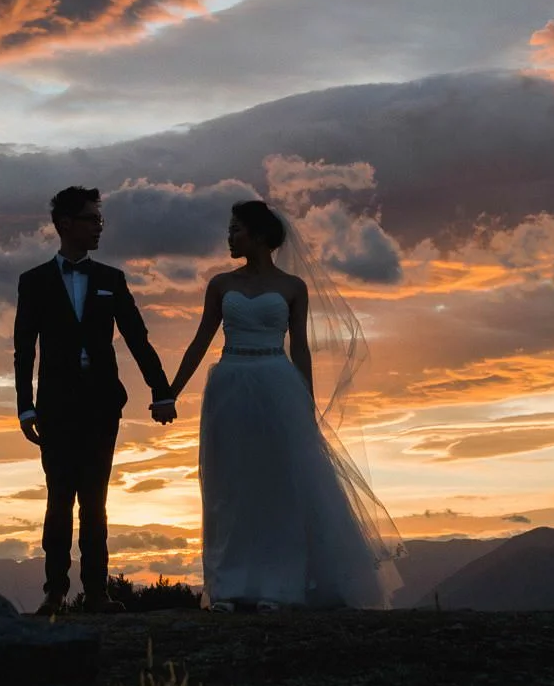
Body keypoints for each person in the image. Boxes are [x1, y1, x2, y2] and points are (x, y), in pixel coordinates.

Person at [168, 199, 403, 612]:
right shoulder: (220, 284)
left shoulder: (294, 287)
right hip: (230, 383)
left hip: (278, 383)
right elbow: (201, 339)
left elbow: (301, 348)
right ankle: (229, 587)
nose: (229, 237)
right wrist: (170, 392)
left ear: (259, 235)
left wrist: (306, 404)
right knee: (230, 486)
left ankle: (278, 587)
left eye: (236, 229)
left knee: (278, 486)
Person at [14, 186, 177, 615]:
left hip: (102, 403)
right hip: (55, 405)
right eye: (92, 219)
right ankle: (54, 591)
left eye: (99, 220)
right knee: (58, 497)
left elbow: (137, 338)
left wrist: (161, 391)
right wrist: (25, 406)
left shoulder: (110, 280)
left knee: (95, 498)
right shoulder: (34, 281)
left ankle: (96, 591)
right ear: (66, 224)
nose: (99, 227)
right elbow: (24, 349)